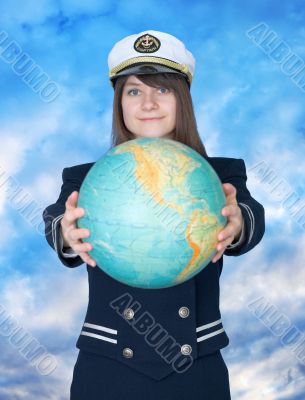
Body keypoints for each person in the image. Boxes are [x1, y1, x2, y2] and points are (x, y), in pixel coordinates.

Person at [43, 30, 265, 400]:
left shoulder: (219, 176)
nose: (148, 103)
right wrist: (67, 235)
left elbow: (250, 215)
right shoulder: (87, 178)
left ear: (183, 100)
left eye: (162, 89)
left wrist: (238, 221)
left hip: (198, 367)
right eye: (133, 91)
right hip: (107, 367)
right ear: (120, 104)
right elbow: (55, 220)